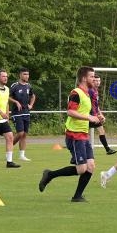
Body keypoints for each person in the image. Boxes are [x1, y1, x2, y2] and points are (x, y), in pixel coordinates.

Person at [38, 66, 100, 202]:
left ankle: (77, 196)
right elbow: (70, 112)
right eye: (91, 76)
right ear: (84, 78)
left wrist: (97, 118)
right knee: (82, 169)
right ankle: (50, 175)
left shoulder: (87, 93)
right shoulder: (76, 93)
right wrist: (89, 118)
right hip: (74, 135)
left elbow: (83, 113)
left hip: (84, 135)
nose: (94, 79)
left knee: (90, 167)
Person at [9, 67, 36, 161]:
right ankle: (9, 148)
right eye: (25, 74)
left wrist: (31, 105)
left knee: (24, 134)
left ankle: (22, 155)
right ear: (20, 75)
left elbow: (33, 96)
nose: (27, 76)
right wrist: (15, 102)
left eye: (28, 74)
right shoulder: (15, 86)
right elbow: (7, 96)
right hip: (17, 113)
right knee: (20, 133)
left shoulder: (28, 86)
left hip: (26, 112)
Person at [89, 74, 117, 155]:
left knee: (101, 130)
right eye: (96, 80)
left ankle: (107, 149)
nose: (98, 82)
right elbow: (88, 104)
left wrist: (100, 114)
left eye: (99, 81)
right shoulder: (90, 91)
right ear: (92, 81)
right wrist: (95, 115)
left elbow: (96, 105)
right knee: (82, 133)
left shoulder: (95, 91)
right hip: (89, 116)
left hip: (94, 116)